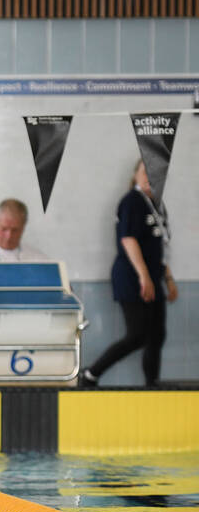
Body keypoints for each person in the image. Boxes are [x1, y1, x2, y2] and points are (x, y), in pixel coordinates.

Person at [81, 160, 179, 388]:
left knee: (157, 335)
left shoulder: (157, 205)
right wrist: (143, 276)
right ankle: (91, 374)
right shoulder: (132, 201)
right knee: (138, 334)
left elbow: (160, 247)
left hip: (154, 276)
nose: (149, 177)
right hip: (132, 277)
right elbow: (128, 239)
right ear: (135, 175)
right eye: (144, 172)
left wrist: (168, 279)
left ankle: (152, 383)